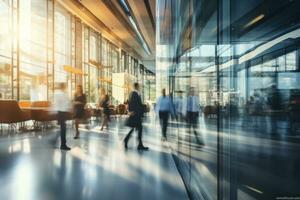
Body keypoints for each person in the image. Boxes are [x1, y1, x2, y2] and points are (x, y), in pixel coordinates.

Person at [124, 83, 149, 150]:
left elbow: (130, 103)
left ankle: (136, 143)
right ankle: (138, 144)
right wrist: (132, 111)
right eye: (139, 86)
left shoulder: (133, 94)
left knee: (136, 129)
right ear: (137, 86)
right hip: (136, 115)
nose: (140, 87)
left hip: (135, 114)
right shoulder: (134, 94)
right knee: (139, 129)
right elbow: (133, 104)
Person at [53, 83, 72, 150]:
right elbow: (62, 103)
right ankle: (62, 145)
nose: (65, 88)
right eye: (65, 87)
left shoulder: (62, 94)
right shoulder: (60, 94)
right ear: (63, 87)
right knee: (63, 129)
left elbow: (66, 103)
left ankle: (54, 141)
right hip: (61, 113)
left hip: (61, 113)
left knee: (62, 128)